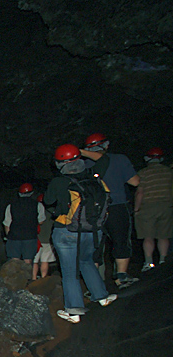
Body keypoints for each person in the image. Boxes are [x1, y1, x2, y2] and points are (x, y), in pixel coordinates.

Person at [45, 144, 117, 323]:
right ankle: (101, 296)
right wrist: (79, 152)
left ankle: (74, 311)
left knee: (69, 272)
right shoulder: (92, 174)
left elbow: (48, 200)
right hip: (93, 231)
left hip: (67, 232)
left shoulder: (59, 181)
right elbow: (103, 158)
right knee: (86, 262)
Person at [80, 132, 140, 289]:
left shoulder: (82, 165)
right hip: (116, 206)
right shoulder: (119, 159)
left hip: (92, 211)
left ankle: (94, 284)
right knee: (120, 240)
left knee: (95, 246)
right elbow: (135, 182)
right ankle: (121, 277)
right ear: (105, 145)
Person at [134, 147, 173, 271]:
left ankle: (149, 262)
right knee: (163, 235)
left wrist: (136, 209)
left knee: (148, 236)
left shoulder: (143, 173)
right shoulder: (168, 172)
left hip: (147, 207)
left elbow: (140, 193)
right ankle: (163, 260)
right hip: (165, 206)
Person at [3, 183, 46, 265]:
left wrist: (9, 236)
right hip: (30, 236)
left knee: (14, 261)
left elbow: (7, 224)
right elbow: (41, 220)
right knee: (28, 261)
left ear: (19, 193)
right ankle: (27, 277)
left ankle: (14, 277)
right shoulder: (38, 205)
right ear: (32, 193)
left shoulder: (11, 206)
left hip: (14, 236)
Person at [32, 193, 56, 280]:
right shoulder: (54, 212)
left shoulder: (36, 211)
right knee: (45, 261)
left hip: (37, 239)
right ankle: (43, 278)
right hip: (48, 239)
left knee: (34, 261)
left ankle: (33, 278)